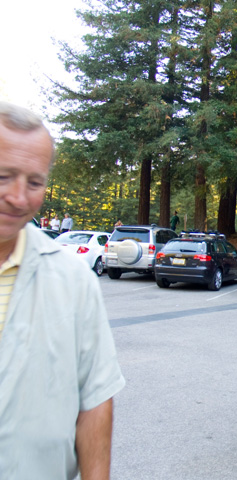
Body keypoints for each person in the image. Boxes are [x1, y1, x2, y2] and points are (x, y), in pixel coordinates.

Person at [0, 101, 125, 479]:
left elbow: (96, 399)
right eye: (3, 176)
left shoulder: (73, 279)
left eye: (34, 182)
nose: (19, 198)